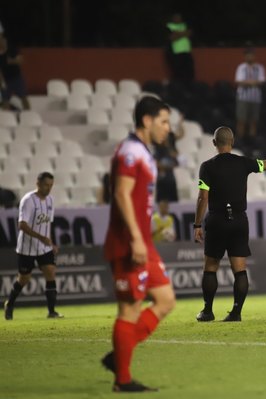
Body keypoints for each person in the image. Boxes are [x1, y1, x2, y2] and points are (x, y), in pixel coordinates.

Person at [100, 96, 176, 392]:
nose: (168, 129)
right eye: (164, 122)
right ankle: (123, 379)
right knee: (130, 310)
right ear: (147, 120)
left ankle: (119, 354)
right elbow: (120, 193)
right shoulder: (131, 152)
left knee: (166, 300)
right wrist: (134, 237)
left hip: (142, 241)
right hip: (128, 243)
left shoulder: (143, 152)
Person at [193, 126, 266, 322]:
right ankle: (236, 312)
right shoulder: (243, 163)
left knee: (210, 266)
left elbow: (203, 198)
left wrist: (197, 225)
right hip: (239, 220)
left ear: (214, 143)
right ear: (233, 142)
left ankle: (207, 311)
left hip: (217, 220)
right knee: (240, 269)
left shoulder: (207, 167)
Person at [3, 172, 62, 320]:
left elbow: (49, 223)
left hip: (44, 247)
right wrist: (41, 237)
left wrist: (51, 242)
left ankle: (51, 311)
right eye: (46, 185)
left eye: (51, 185)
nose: (48, 188)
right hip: (27, 247)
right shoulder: (28, 200)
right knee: (24, 279)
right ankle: (9, 304)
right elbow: (22, 225)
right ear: (38, 184)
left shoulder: (50, 201)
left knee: (50, 272)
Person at [234, 48, 266, 139]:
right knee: (241, 120)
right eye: (247, 55)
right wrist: (253, 82)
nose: (249, 56)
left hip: (255, 98)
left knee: (254, 121)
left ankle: (252, 140)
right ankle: (240, 139)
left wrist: (247, 82)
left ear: (254, 56)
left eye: (251, 55)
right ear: (245, 57)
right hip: (243, 98)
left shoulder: (259, 68)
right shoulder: (241, 67)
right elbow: (239, 81)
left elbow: (262, 81)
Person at [0, 36, 30, 110]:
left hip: (17, 78)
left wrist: (10, 61)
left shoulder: (12, 50)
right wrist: (2, 82)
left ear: (5, 41)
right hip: (6, 81)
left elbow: (21, 60)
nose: (2, 43)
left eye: (3, 41)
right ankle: (6, 117)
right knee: (5, 100)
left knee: (23, 97)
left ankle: (28, 113)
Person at [165, 13, 194, 84]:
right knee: (177, 73)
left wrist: (178, 34)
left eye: (179, 17)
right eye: (176, 17)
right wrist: (184, 33)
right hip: (175, 53)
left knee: (190, 72)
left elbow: (189, 33)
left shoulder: (185, 25)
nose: (178, 19)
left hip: (186, 52)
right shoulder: (169, 26)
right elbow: (172, 38)